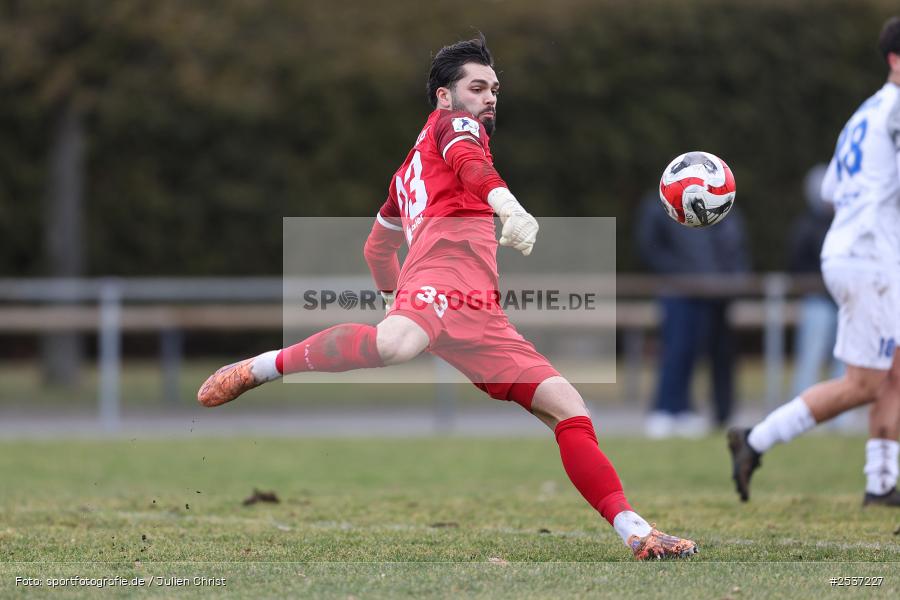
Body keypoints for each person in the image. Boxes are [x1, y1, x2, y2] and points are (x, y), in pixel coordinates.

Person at [198, 35, 697, 559]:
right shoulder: (453, 127)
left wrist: (396, 298)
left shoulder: (406, 171)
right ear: (443, 97)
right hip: (442, 280)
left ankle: (636, 532)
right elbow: (469, 161)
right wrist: (509, 207)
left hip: (481, 312)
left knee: (569, 410)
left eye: (494, 90)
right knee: (393, 347)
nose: (489, 99)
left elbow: (376, 247)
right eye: (477, 88)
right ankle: (261, 367)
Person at [728, 17, 900, 507]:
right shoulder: (896, 111)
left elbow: (828, 190)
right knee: (865, 383)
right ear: (894, 58)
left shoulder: (866, 111)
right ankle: (755, 439)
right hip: (870, 257)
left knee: (893, 370)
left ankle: (881, 481)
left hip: (861, 251)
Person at [636, 192, 750, 438]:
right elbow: (651, 247)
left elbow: (734, 248)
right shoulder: (660, 207)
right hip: (679, 291)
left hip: (715, 293)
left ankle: (689, 409)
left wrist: (730, 281)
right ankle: (665, 410)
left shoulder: (722, 206)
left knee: (702, 353)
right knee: (676, 350)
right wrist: (679, 276)